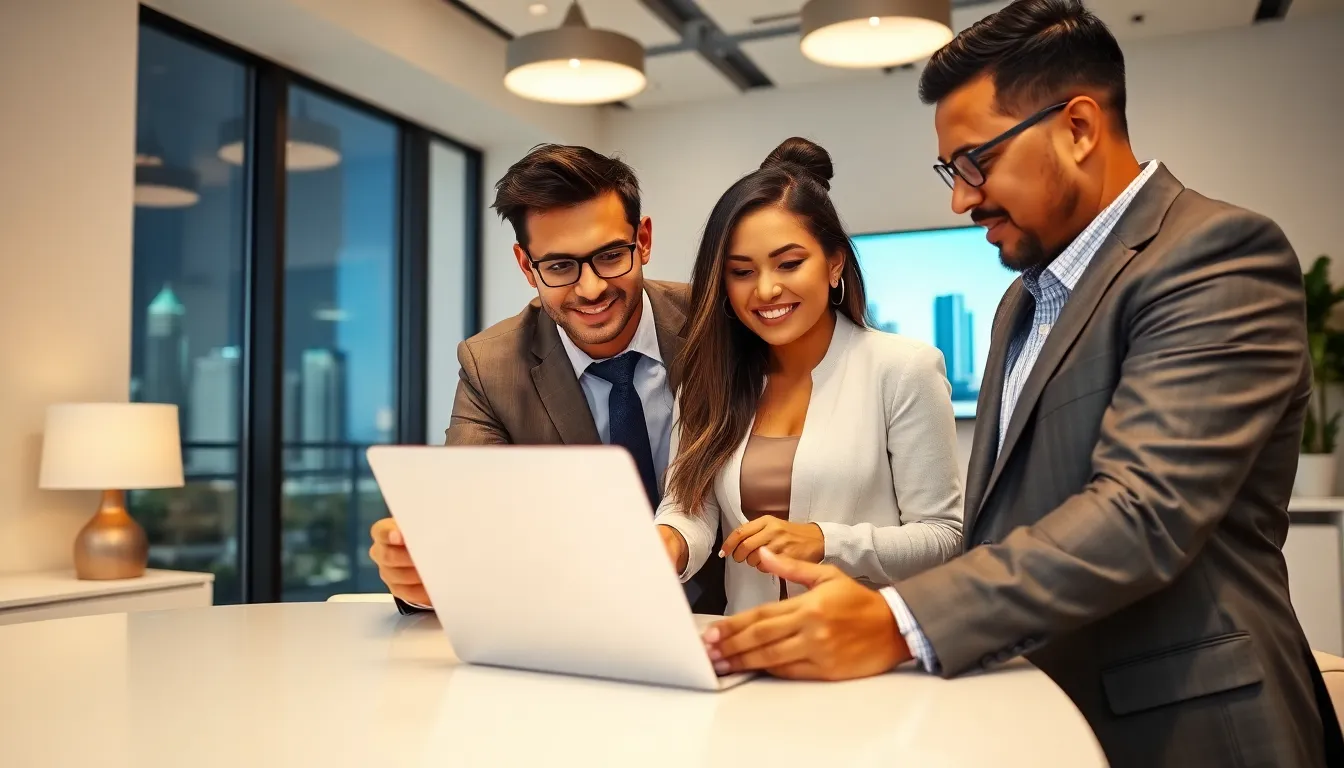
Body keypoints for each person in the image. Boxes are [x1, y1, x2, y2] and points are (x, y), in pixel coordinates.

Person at [700, 2, 1344, 766]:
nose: (961, 198)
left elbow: (1142, 513)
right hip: (1043, 714)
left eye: (975, 162)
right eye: (951, 171)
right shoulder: (1022, 300)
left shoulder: (1213, 256)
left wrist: (898, 619)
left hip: (1188, 729)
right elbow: (1001, 529)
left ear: (1078, 127)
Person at [367, 144, 726, 615]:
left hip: (733, 610)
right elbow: (468, 515)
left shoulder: (715, 323)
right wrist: (422, 576)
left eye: (610, 255)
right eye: (559, 266)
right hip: (574, 619)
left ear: (642, 240)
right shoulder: (491, 366)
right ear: (525, 265)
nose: (591, 288)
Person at [653, 137, 964, 616]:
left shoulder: (904, 369)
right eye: (741, 272)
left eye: (789, 264)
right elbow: (687, 509)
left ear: (834, 263)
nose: (766, 289)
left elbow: (943, 537)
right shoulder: (707, 381)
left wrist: (825, 541)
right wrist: (666, 542)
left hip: (858, 644)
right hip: (749, 640)